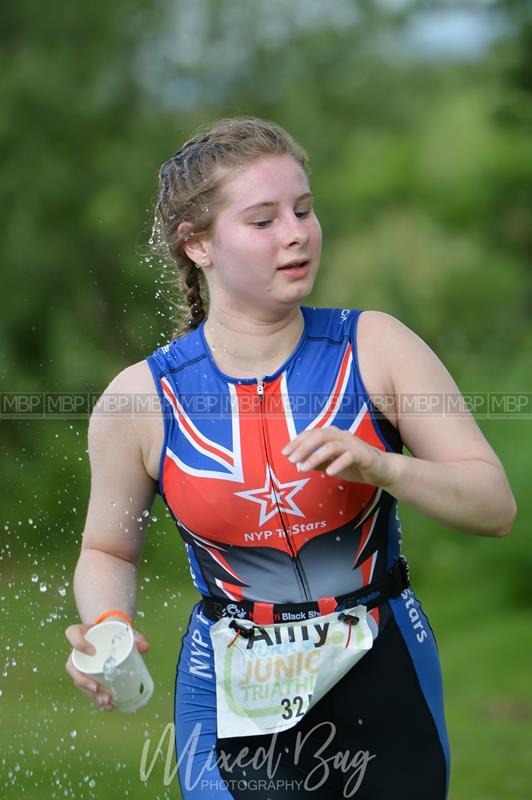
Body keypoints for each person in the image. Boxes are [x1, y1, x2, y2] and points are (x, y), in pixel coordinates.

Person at [65, 116, 516, 799]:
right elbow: (107, 551)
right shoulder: (141, 399)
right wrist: (108, 628)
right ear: (198, 246)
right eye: (263, 220)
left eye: (304, 210)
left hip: (384, 672)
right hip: (228, 690)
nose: (297, 233)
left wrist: (384, 466)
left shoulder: (378, 347)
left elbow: (494, 506)